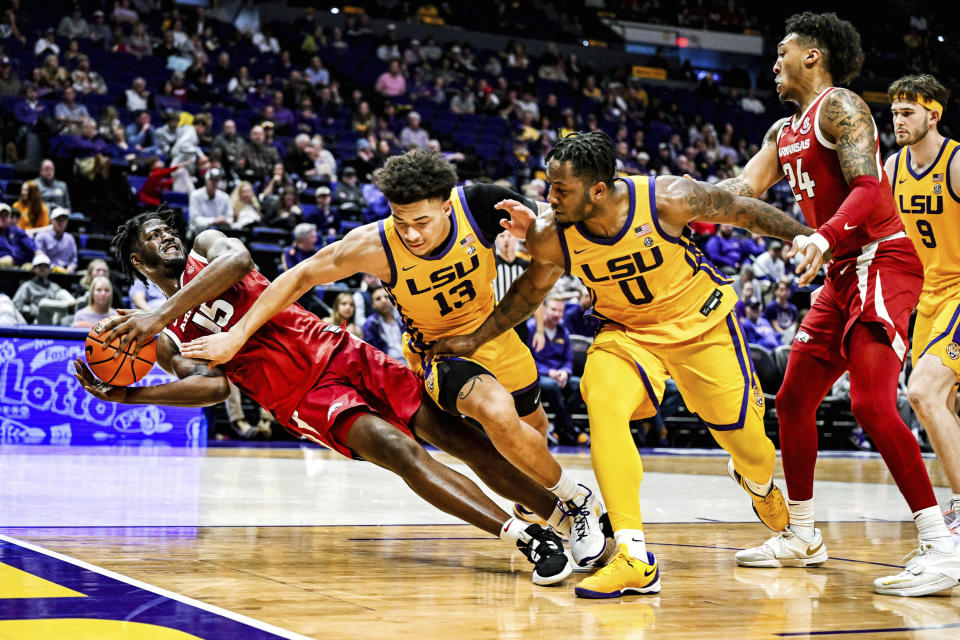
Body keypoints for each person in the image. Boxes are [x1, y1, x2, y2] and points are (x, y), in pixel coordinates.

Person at [76, 211, 574, 587]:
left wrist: (160, 313)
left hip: (338, 349)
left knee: (460, 438)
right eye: (153, 239)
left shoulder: (206, 249)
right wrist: (133, 394)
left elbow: (240, 261)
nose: (167, 237)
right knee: (402, 454)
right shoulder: (163, 336)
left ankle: (564, 514)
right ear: (139, 262)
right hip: (303, 396)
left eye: (167, 230)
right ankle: (525, 537)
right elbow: (214, 385)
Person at [427, 130, 820, 598]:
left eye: (561, 189)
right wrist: (474, 338)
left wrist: (808, 237)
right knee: (604, 403)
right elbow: (528, 294)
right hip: (626, 334)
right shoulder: (556, 234)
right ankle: (635, 556)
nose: (549, 197)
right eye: (549, 187)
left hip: (701, 327)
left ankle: (755, 481)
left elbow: (744, 211)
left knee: (752, 448)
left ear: (598, 190)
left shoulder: (667, 198)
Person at [177, 150, 611, 569]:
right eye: (401, 221)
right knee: (494, 413)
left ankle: (551, 500)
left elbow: (567, 229)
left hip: (496, 333)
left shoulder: (480, 202)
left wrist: (538, 235)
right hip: (439, 350)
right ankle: (576, 503)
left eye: (422, 221)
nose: (412, 233)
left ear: (446, 205)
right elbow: (300, 275)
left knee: (533, 433)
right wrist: (237, 334)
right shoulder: (376, 243)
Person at [714, 13, 957, 596]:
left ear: (813, 57)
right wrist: (663, 202)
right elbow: (738, 194)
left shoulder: (841, 106)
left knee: (874, 404)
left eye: (783, 51)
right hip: (842, 271)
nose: (773, 63)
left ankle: (940, 546)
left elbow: (870, 191)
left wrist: (823, 236)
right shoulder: (782, 132)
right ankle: (801, 534)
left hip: (882, 259)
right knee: (794, 399)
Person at [886, 73, 960, 537]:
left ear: (933, 115)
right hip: (925, 301)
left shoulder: (956, 164)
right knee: (940, 408)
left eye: (907, 112)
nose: (897, 120)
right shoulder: (892, 168)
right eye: (893, 112)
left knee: (922, 393)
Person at [527, 295, 586, 445]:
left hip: (560, 374)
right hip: (538, 375)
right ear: (544, 309)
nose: (557, 314)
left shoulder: (563, 331)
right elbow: (528, 358)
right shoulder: (532, 328)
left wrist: (565, 371)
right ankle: (570, 427)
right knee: (552, 386)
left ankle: (556, 426)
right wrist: (549, 372)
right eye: (553, 309)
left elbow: (568, 359)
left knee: (581, 385)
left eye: (560, 311)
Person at [13, 253, 76, 324]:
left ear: (50, 269)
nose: (43, 268)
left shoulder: (54, 286)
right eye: (39, 266)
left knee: (62, 292)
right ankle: (70, 306)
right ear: (34, 269)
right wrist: (33, 310)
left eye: (46, 266)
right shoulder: (27, 286)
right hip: (39, 319)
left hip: (56, 317)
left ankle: (75, 305)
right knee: (43, 303)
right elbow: (17, 306)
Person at [361, 285, 404, 362]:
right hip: (388, 366)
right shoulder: (369, 325)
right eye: (378, 299)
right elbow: (373, 355)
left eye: (386, 297)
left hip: (412, 363)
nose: (383, 301)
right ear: (373, 305)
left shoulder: (404, 318)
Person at [188, 168, 230, 236]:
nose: (214, 183)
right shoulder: (195, 195)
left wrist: (224, 221)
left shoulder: (225, 197)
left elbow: (229, 218)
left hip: (219, 233)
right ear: (206, 181)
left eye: (217, 180)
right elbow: (195, 220)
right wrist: (214, 221)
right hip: (198, 233)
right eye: (212, 180)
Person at [34, 208, 76, 273]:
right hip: (47, 271)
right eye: (58, 220)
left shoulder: (70, 238)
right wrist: (54, 268)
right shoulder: (41, 236)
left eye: (63, 220)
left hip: (66, 271)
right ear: (51, 221)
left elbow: (74, 260)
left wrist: (71, 268)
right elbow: (40, 257)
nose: (61, 223)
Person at [0, 203, 36, 267]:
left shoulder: (15, 230)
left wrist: (37, 251)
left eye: (6, 216)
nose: (4, 218)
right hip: (3, 267)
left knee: (33, 266)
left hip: (20, 264)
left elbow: (29, 242)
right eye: (1, 216)